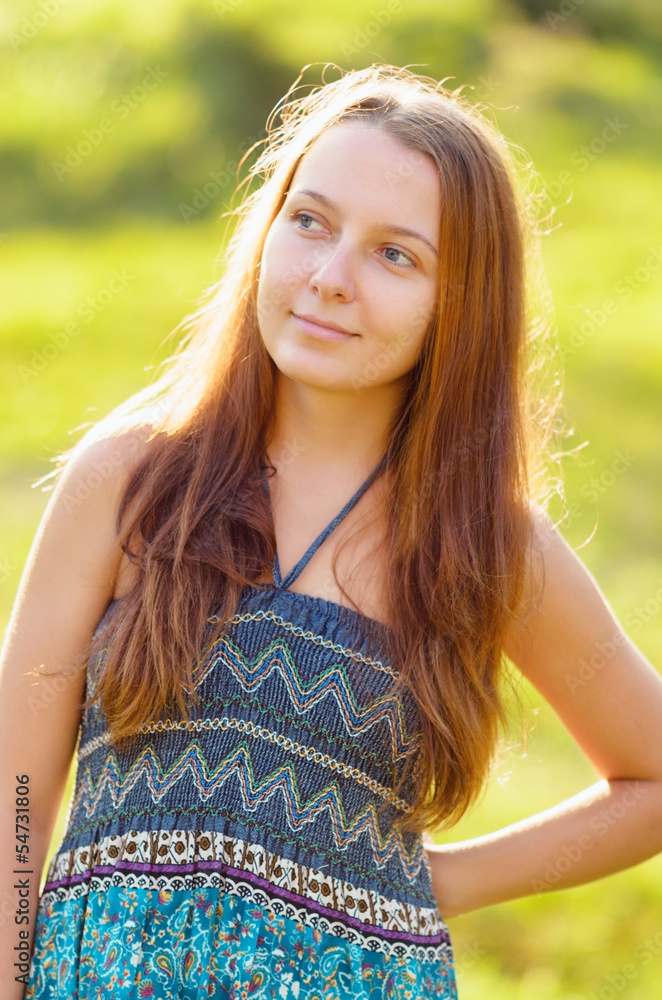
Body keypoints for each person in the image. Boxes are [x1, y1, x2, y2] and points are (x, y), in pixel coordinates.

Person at [2, 62, 661, 1000]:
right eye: (309, 222)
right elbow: (14, 791)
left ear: (458, 307)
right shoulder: (133, 477)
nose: (328, 278)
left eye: (397, 255)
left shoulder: (488, 547)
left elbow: (653, 775)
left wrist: (449, 880)